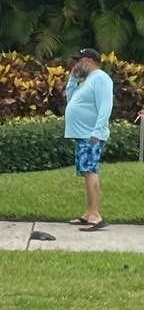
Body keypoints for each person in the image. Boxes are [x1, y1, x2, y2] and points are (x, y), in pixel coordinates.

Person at [64, 48, 113, 232]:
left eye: (80, 60)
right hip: (81, 134)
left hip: (90, 134)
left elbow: (105, 106)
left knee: (90, 170)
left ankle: (95, 215)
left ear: (90, 60)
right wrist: (73, 79)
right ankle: (89, 213)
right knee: (86, 171)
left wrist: (98, 130)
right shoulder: (86, 81)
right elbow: (70, 99)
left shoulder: (101, 78)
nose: (77, 64)